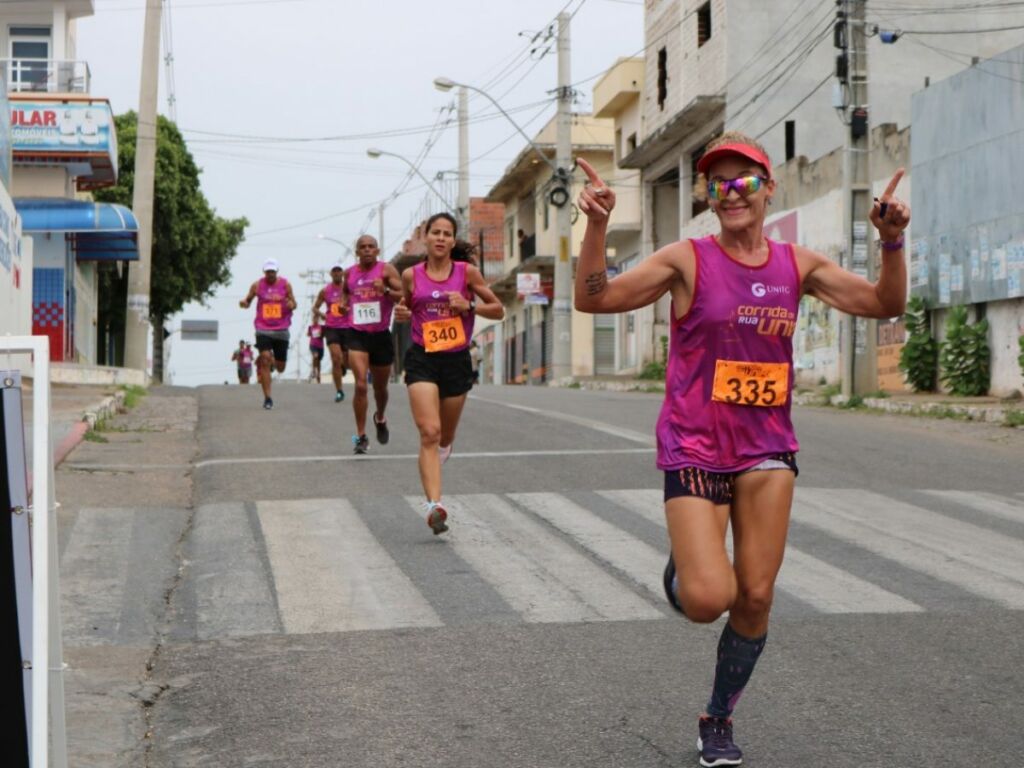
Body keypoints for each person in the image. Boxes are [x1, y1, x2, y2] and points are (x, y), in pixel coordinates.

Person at [573, 132, 909, 768]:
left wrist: (892, 242)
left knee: (754, 596)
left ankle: (718, 717)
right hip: (694, 444)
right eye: (717, 184)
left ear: (766, 188)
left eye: (743, 181)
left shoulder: (797, 266)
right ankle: (685, 567)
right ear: (708, 196)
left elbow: (884, 302)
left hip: (766, 448)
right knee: (707, 600)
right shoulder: (686, 259)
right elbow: (593, 298)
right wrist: (596, 226)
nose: (730, 193)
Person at [393, 212, 504, 534]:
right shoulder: (411, 275)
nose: (441, 238)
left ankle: (444, 447)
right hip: (422, 358)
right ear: (426, 238)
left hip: (456, 359)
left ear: (453, 241)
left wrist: (469, 307)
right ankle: (434, 506)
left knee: (445, 435)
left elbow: (498, 309)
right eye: (435, 232)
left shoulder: (467, 273)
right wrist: (401, 312)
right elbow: (406, 306)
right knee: (429, 431)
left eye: (447, 233)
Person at [343, 235, 402, 455]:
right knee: (360, 385)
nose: (367, 250)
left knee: (380, 389)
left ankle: (380, 416)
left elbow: (404, 296)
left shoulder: (387, 271)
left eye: (371, 247)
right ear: (357, 251)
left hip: (380, 335)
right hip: (357, 334)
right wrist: (342, 306)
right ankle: (361, 436)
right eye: (362, 247)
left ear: (377, 250)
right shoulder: (350, 274)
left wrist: (385, 291)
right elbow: (345, 294)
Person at [240, 258, 297, 410]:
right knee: (264, 359)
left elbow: (294, 302)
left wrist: (291, 304)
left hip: (281, 329)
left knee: (280, 367)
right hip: (263, 328)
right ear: (264, 272)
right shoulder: (257, 285)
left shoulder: (285, 284)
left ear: (276, 272)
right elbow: (248, 300)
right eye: (267, 271)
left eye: (272, 271)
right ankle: (268, 398)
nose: (270, 274)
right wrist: (244, 303)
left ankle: (274, 362)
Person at [313, 263, 350, 403]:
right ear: (331, 274)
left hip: (347, 327)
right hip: (332, 327)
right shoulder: (325, 291)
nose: (336, 274)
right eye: (334, 272)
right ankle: (339, 390)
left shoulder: (349, 288)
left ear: (342, 274)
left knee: (346, 359)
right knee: (335, 357)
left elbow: (356, 303)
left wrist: (348, 310)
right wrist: (322, 315)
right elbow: (315, 307)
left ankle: (342, 366)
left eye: (339, 271)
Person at [307, 311, 325, 383]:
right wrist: (310, 333)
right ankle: (314, 370)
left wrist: (321, 334)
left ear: (318, 320)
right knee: (315, 356)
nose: (315, 320)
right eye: (314, 319)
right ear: (312, 320)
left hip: (320, 346)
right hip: (313, 345)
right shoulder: (310, 327)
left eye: (316, 319)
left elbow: (324, 335)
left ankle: (318, 375)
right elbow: (308, 334)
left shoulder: (321, 327)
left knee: (319, 361)